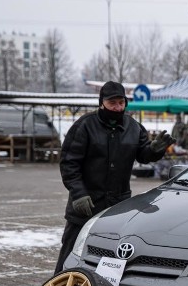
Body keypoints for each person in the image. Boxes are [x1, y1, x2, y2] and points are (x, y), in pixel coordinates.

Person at [54, 81, 174, 273]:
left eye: (121, 103)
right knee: (71, 255)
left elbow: (143, 155)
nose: (117, 107)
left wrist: (154, 150)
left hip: (118, 208)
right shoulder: (84, 126)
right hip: (85, 206)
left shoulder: (134, 127)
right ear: (102, 103)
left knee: (110, 259)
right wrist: (78, 193)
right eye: (112, 103)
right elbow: (69, 163)